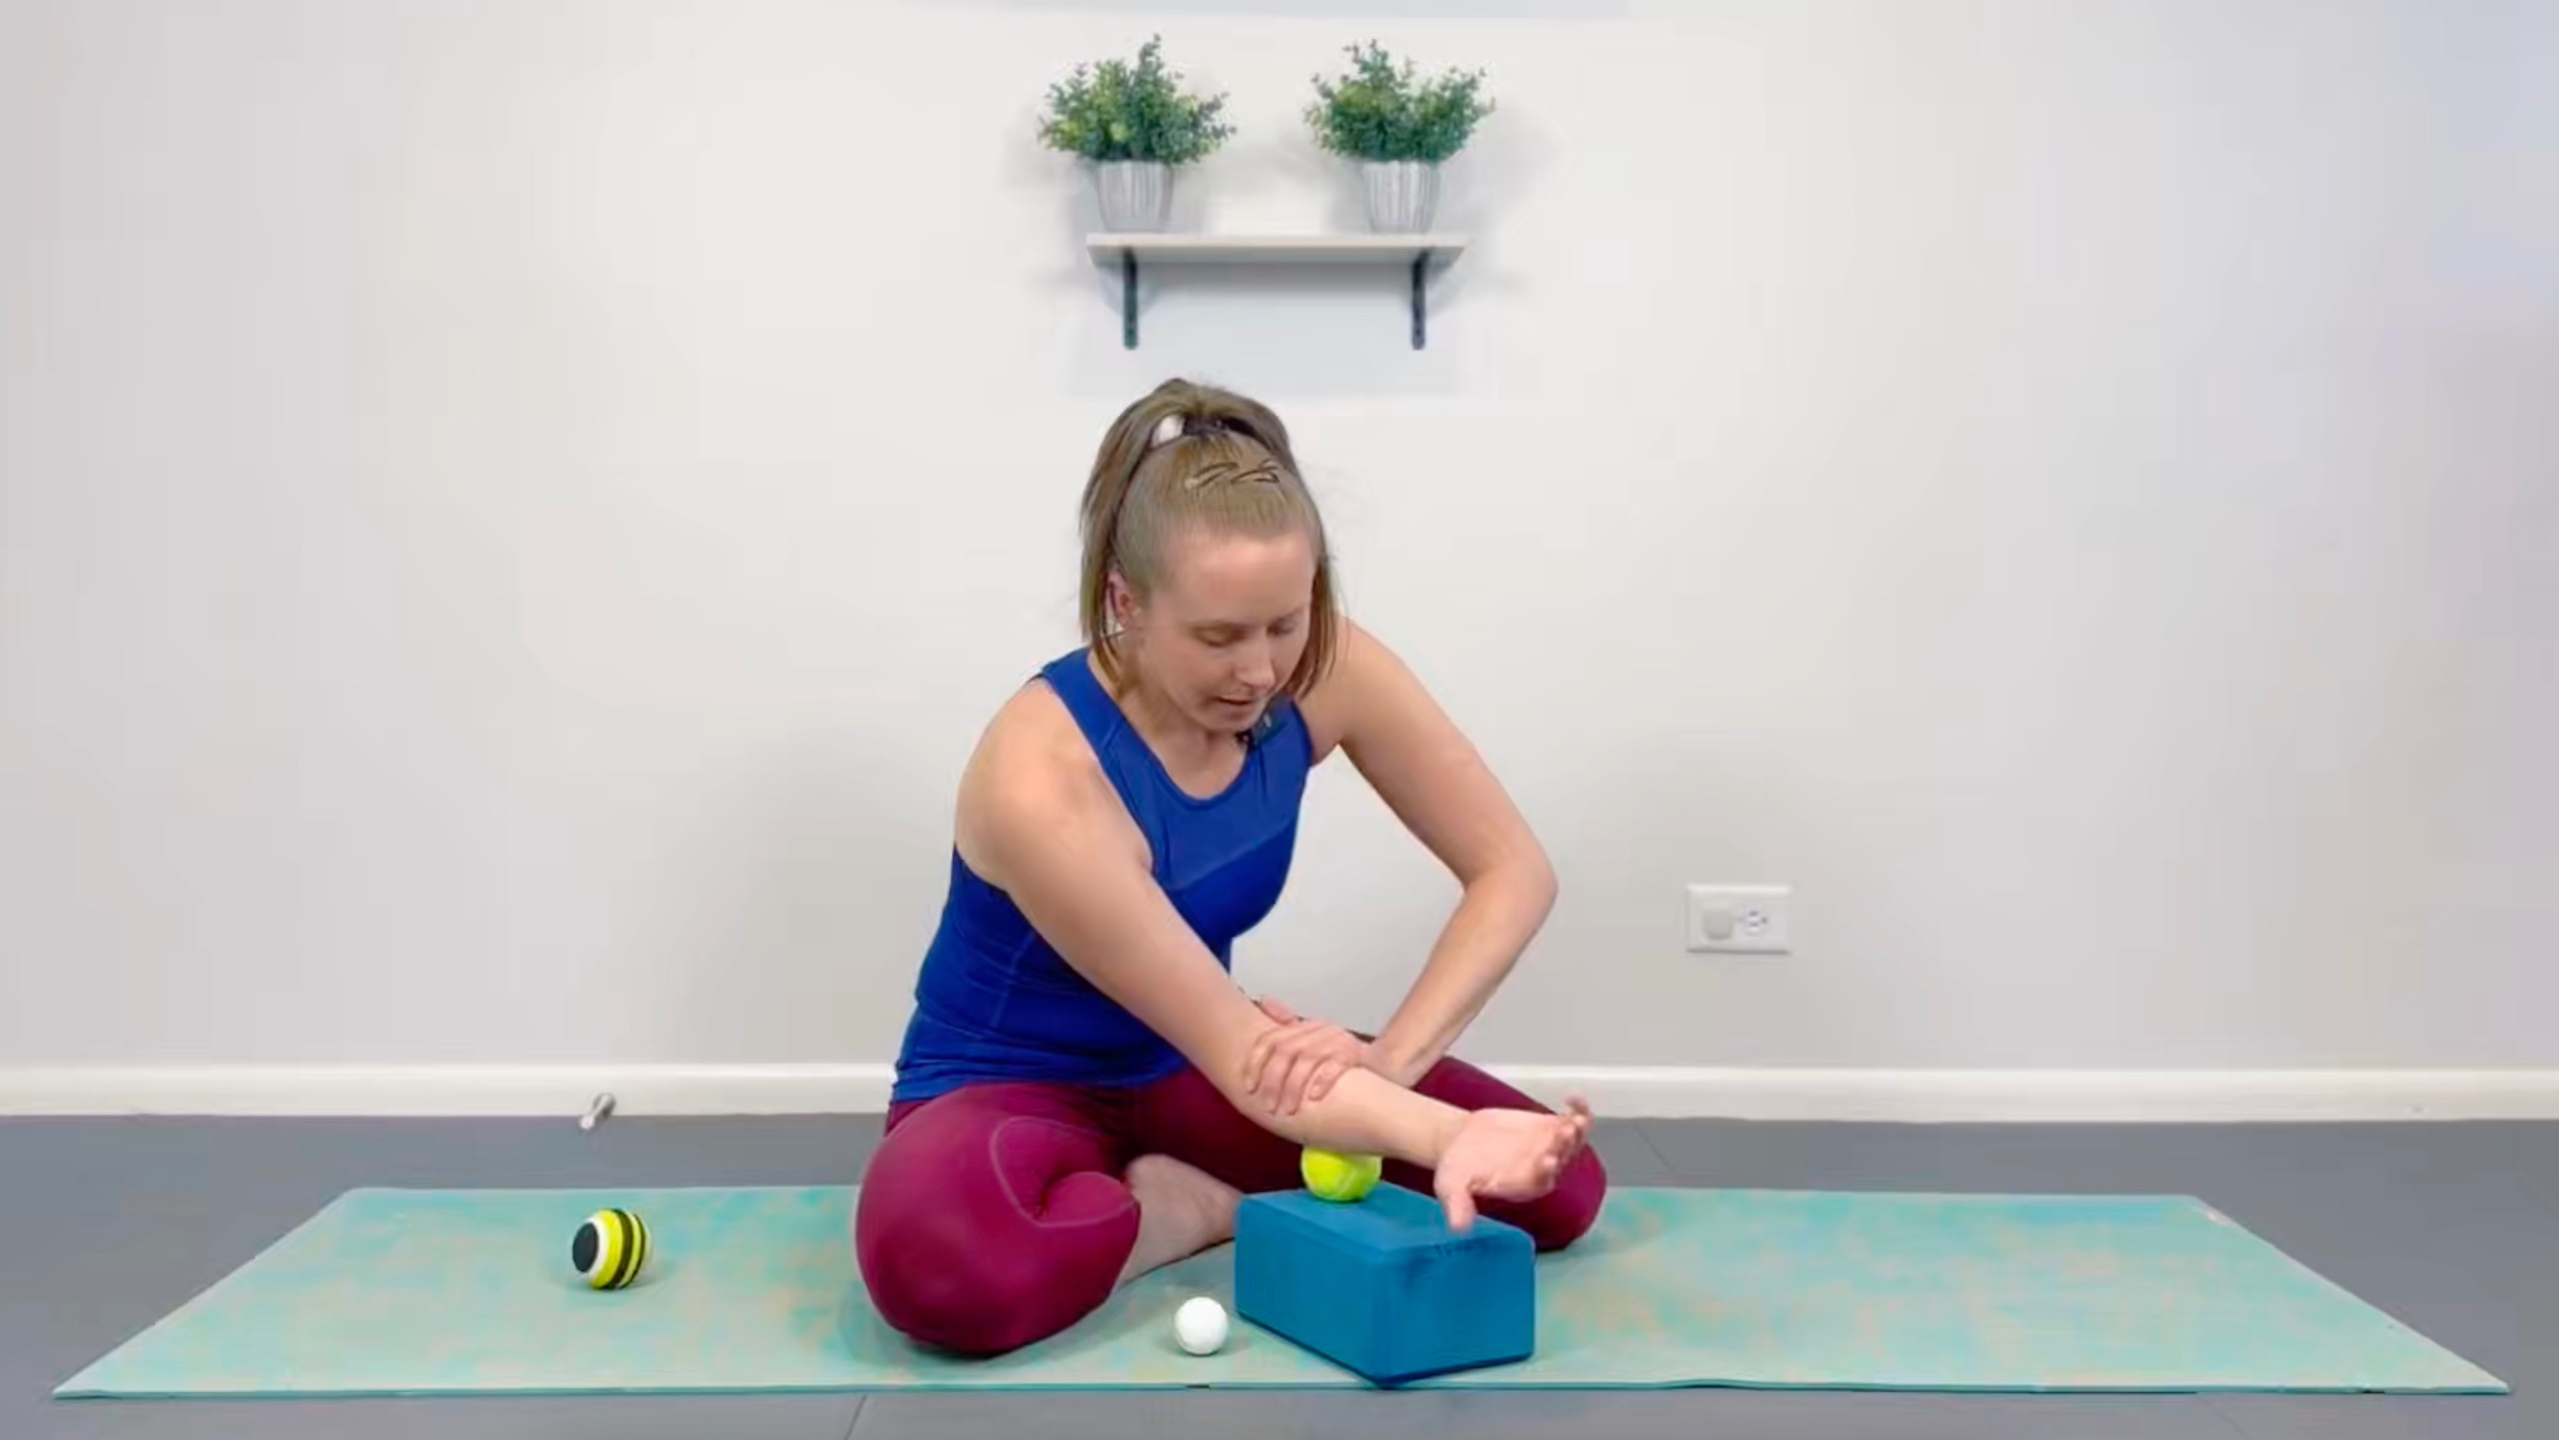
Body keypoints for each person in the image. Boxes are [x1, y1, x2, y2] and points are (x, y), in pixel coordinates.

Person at [853, 378, 1605, 1356]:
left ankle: (1145, 1201)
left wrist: (1389, 1070)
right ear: (1126, 602)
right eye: (1218, 637)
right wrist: (1433, 1133)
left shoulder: (1324, 670)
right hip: (1004, 1088)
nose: (1261, 670)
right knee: (944, 1272)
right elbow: (1247, 1056)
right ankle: (1183, 1210)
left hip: (1191, 1069)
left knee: (1555, 1193)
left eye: (1285, 624)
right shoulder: (1044, 777)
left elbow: (1513, 871)